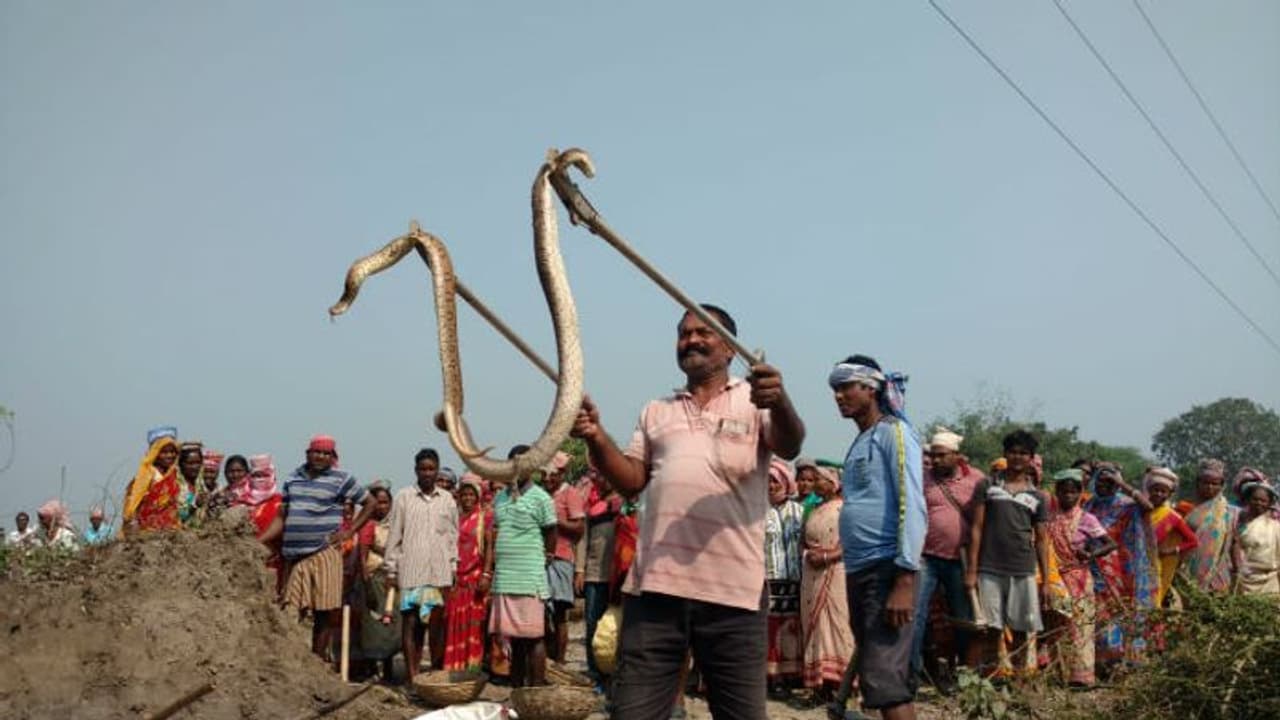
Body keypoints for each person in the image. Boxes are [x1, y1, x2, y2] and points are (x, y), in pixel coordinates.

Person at [571, 304, 805, 720]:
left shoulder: (756, 402)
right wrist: (594, 435)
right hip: (656, 591)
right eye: (683, 333)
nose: (691, 340)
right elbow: (630, 480)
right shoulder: (656, 411)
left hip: (734, 593)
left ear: (731, 348)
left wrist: (780, 400)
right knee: (634, 713)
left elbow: (789, 444)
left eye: (704, 332)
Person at [830, 354, 924, 720]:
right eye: (835, 390)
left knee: (886, 681)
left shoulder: (893, 433)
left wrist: (904, 579)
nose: (839, 396)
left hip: (887, 568)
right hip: (860, 569)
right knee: (876, 672)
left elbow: (912, 504)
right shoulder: (860, 442)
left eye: (846, 387)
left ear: (870, 388)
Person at [260, 435, 374, 663]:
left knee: (323, 611)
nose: (321, 456)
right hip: (296, 556)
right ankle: (292, 661)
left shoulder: (341, 479)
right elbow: (283, 516)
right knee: (291, 609)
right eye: (317, 452)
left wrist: (349, 531)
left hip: (324, 551)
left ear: (332, 457)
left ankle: (317, 662)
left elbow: (369, 502)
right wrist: (259, 540)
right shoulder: (293, 479)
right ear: (308, 454)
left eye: (326, 453)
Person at [966, 430, 1050, 678]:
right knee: (992, 628)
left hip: (1023, 568)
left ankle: (1022, 681)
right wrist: (971, 570)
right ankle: (993, 680)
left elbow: (1042, 539)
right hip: (989, 568)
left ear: (1031, 458)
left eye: (1023, 453)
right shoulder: (988, 486)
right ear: (1005, 454)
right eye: (1013, 451)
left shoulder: (1038, 496)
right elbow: (977, 528)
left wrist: (1044, 580)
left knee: (1022, 628)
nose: (1017, 457)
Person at [482, 444, 558, 688]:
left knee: (534, 638)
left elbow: (551, 531)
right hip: (505, 577)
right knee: (514, 639)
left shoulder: (542, 498)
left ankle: (534, 692)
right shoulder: (500, 497)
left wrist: (547, 555)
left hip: (529, 577)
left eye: (523, 462)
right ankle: (517, 692)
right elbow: (496, 532)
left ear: (532, 465)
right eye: (513, 462)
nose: (517, 467)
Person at [912, 426, 983, 683]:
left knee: (963, 617)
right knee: (916, 615)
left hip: (960, 559)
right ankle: (912, 674)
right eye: (935, 454)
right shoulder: (922, 478)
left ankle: (964, 674)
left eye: (942, 455)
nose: (937, 460)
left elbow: (983, 520)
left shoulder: (976, 480)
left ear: (957, 455)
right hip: (926, 557)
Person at [385, 448, 459, 682]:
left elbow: (452, 536)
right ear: (416, 470)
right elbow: (394, 535)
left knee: (437, 628)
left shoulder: (447, 499)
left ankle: (435, 676)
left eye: (431, 469)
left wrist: (453, 565)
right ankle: (412, 676)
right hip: (412, 572)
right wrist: (391, 568)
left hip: (439, 574)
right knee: (412, 625)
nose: (427, 473)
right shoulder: (404, 497)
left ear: (437, 470)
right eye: (423, 469)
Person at [1043, 469, 1116, 688]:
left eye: (1073, 492)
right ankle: (1059, 673)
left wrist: (1090, 554)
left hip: (1079, 579)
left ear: (1080, 493)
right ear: (1056, 492)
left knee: (1081, 626)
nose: (1068, 496)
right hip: (1056, 579)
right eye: (1064, 491)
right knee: (1058, 625)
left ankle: (1081, 677)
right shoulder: (1048, 517)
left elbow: (1110, 544)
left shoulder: (1086, 518)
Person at [1083, 462, 1156, 666]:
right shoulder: (1089, 505)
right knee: (1098, 613)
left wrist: (1122, 484)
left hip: (1121, 570)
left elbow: (1148, 506)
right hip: (1093, 567)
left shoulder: (1126, 505)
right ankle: (1101, 660)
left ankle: (1120, 659)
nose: (1104, 486)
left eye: (1110, 482)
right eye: (1101, 481)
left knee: (1118, 611)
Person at [800, 466, 853, 703]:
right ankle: (821, 685)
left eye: (821, 479)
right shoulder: (813, 509)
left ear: (834, 483)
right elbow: (803, 541)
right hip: (811, 574)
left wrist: (826, 557)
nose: (817, 483)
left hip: (835, 572)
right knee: (814, 623)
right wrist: (809, 556)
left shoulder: (846, 509)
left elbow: (851, 541)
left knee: (837, 622)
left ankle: (844, 683)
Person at [574, 466, 620, 685]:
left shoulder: (628, 503)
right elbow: (583, 540)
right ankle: (596, 673)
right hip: (594, 573)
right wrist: (580, 570)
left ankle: (617, 673)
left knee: (617, 626)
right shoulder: (591, 505)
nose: (603, 479)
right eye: (600, 475)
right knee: (593, 624)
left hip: (619, 575)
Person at [444, 474, 493, 673]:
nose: (467, 498)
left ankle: (473, 668)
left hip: (475, 579)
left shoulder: (485, 517)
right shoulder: (454, 518)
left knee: (474, 625)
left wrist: (487, 574)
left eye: (471, 495)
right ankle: (454, 668)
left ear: (478, 496)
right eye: (464, 494)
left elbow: (490, 547)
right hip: (457, 579)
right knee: (455, 625)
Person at [764, 458, 804, 697]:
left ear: (786, 483)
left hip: (794, 580)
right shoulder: (756, 511)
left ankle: (792, 676)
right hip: (767, 580)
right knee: (769, 631)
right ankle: (772, 677)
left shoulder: (799, 511)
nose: (771, 486)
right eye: (767, 481)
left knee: (791, 630)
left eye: (775, 481)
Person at [542, 450, 584, 664]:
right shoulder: (542, 495)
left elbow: (579, 528)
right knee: (541, 613)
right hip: (541, 560)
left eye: (552, 474)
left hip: (561, 558)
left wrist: (556, 522)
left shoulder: (571, 494)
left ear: (561, 474)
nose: (548, 478)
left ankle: (559, 661)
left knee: (559, 613)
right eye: (545, 474)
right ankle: (546, 660)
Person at [359, 482, 401, 680]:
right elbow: (362, 556)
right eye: (377, 503)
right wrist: (367, 583)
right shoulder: (367, 525)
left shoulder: (397, 524)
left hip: (393, 580)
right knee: (373, 625)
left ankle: (389, 667)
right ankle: (371, 668)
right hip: (374, 579)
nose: (381, 507)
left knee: (391, 624)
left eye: (385, 503)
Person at [1181, 458, 1241, 593]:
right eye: (1205, 483)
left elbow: (1235, 542)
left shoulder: (1230, 512)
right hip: (1187, 574)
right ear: (1198, 483)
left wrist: (1238, 570)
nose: (1210, 487)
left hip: (1219, 574)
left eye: (1215, 484)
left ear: (1222, 485)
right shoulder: (1185, 509)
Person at [1142, 467, 1197, 608]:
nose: (1159, 494)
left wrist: (1171, 551)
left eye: (1163, 491)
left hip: (1153, 566)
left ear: (1169, 494)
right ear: (1148, 490)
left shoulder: (1172, 517)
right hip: (1131, 562)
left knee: (1151, 604)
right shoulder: (1139, 510)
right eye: (1155, 489)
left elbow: (1192, 541)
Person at [122, 426, 183, 533]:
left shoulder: (175, 474)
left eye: (173, 452)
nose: (170, 456)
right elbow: (133, 502)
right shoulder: (147, 474)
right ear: (155, 453)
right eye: (164, 452)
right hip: (148, 530)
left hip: (172, 530)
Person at [1233, 478, 1280, 596]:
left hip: (1270, 582)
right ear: (1248, 500)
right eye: (1255, 499)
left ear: (1269, 503)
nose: (1259, 503)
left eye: (1263, 500)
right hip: (1243, 581)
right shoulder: (1237, 523)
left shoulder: (1276, 527)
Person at [176, 441, 205, 525]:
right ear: (181, 464)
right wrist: (194, 505)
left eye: (198, 463)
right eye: (190, 463)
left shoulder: (200, 486)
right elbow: (175, 515)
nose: (195, 467)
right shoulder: (175, 485)